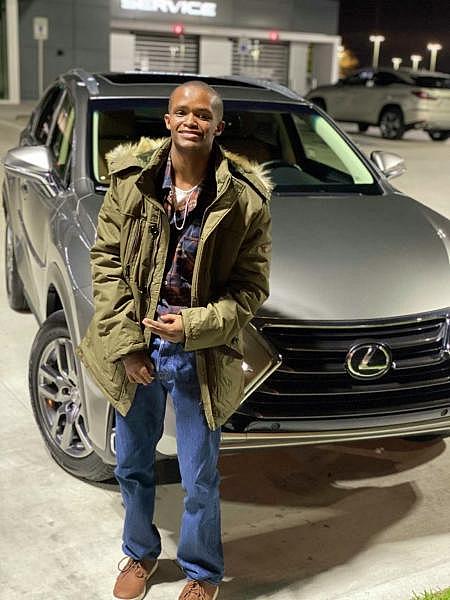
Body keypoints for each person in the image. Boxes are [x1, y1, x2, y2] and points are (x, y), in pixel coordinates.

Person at [76, 80, 272, 600]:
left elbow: (251, 288)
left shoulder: (245, 202)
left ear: (219, 126)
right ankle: (139, 554)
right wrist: (128, 345)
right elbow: (107, 262)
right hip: (135, 350)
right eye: (182, 112)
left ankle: (202, 572)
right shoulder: (130, 182)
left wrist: (194, 325)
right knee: (133, 463)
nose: (192, 120)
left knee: (199, 475)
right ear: (167, 120)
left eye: (203, 114)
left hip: (199, 354)